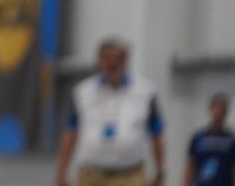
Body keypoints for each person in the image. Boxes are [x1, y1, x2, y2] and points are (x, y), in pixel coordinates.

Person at [54, 37, 166, 186]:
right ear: (99, 61)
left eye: (117, 59)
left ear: (126, 60)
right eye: (107, 59)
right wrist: (61, 172)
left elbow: (157, 135)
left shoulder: (146, 91)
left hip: (130, 174)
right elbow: (70, 133)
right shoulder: (82, 92)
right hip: (92, 174)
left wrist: (159, 171)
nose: (112, 64)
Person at [182, 93, 235, 186]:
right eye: (217, 109)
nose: (219, 114)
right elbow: (191, 165)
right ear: (211, 109)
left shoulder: (230, 140)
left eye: (223, 110)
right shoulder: (198, 137)